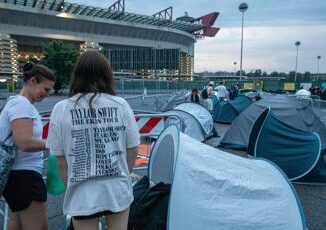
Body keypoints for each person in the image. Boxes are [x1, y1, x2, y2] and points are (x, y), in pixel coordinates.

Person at [46, 50, 140, 230]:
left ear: (77, 75)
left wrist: (71, 184)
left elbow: (60, 160)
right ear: (107, 75)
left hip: (81, 193)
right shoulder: (121, 105)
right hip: (117, 188)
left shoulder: (61, 109)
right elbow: (133, 150)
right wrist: (122, 173)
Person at [0, 63, 55, 229]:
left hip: (17, 176)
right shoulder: (21, 105)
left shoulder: (17, 103)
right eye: (46, 89)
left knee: (16, 225)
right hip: (25, 177)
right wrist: (55, 143)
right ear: (32, 81)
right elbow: (24, 142)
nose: (47, 94)